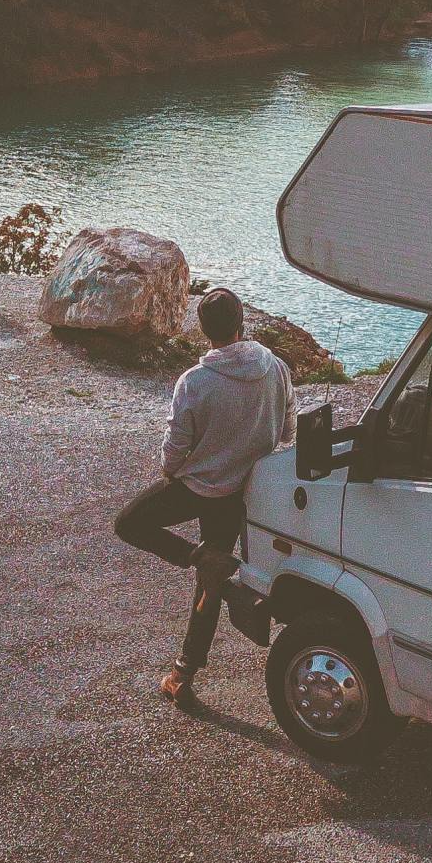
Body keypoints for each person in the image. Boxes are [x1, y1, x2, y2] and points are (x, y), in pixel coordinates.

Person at [114, 286, 295, 703]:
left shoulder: (194, 382)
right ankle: (182, 674)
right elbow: (287, 431)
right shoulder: (276, 368)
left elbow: (174, 451)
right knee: (208, 586)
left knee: (129, 523)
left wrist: (172, 472)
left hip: (200, 488)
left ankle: (196, 556)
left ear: (202, 329)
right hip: (242, 492)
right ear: (240, 324)